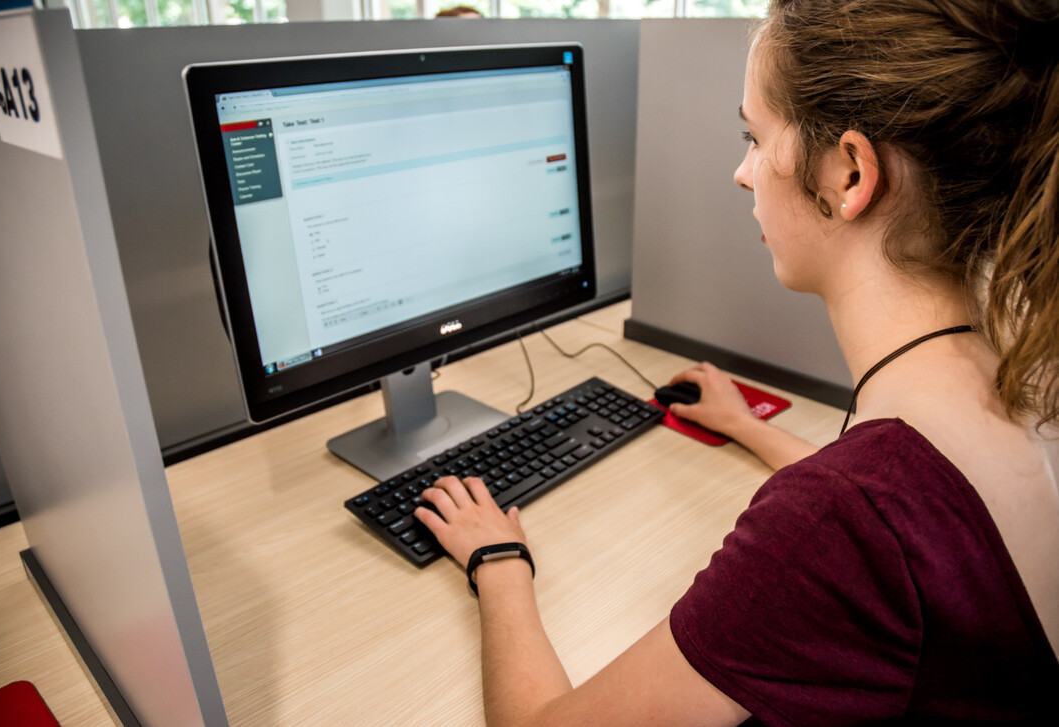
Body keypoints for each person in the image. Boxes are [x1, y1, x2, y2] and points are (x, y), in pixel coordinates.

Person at [414, 0, 1059, 723]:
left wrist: (498, 560)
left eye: (755, 137)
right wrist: (746, 423)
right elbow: (914, 532)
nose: (742, 173)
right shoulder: (1022, 370)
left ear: (850, 174)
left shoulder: (841, 517)